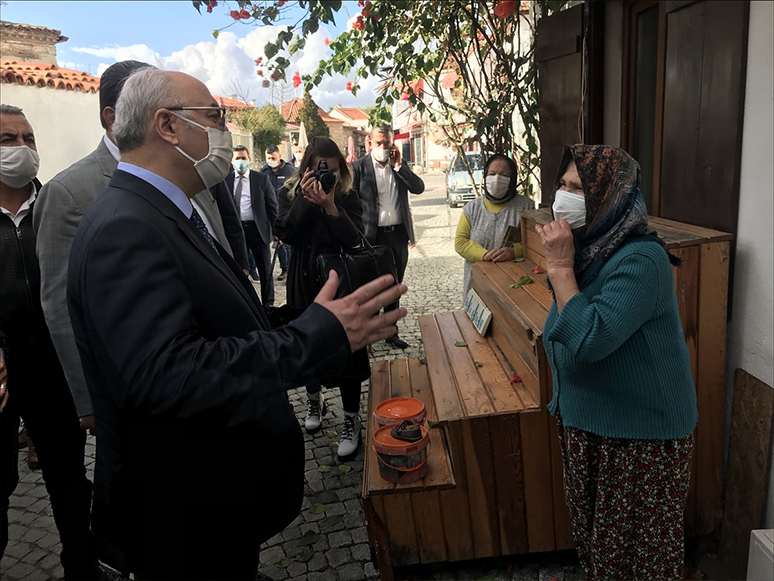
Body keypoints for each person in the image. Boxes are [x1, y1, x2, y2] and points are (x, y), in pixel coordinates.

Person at [67, 68, 406, 580]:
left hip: (212, 508)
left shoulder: (164, 210)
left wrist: (315, 321)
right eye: (214, 117)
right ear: (167, 125)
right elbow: (170, 375)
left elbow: (219, 322)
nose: (225, 130)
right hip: (182, 514)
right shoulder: (126, 226)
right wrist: (311, 335)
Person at [34, 60, 244, 430]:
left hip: (229, 388)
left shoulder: (195, 170)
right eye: (214, 116)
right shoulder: (71, 192)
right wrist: (88, 400)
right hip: (172, 415)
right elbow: (60, 304)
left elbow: (218, 242)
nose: (222, 130)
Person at [537, 144, 698, 580]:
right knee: (598, 550)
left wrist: (558, 268)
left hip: (639, 438)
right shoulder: (591, 250)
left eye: (579, 189)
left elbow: (590, 337)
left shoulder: (641, 259)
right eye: (563, 186)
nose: (564, 197)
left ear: (609, 196)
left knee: (636, 562)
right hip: (592, 425)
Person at [0, 104, 96, 579]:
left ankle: (81, 565)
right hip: (0, 380)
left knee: (68, 484)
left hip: (54, 372)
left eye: (29, 138)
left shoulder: (57, 202)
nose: (22, 149)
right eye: (7, 140)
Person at [274, 137, 368, 459]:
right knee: (308, 348)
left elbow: (357, 241)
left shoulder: (347, 196)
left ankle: (352, 419)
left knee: (349, 353)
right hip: (303, 286)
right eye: (319, 170)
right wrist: (305, 199)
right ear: (306, 170)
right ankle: (314, 401)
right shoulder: (290, 193)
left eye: (332, 169)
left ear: (341, 169)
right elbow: (285, 232)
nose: (327, 177)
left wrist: (330, 207)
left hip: (341, 285)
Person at [350, 124, 425, 349]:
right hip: (372, 237)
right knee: (370, 287)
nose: (383, 147)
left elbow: (418, 188)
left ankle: (390, 333)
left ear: (393, 143)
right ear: (370, 143)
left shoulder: (399, 166)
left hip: (398, 235)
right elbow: (350, 204)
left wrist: (401, 166)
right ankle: (369, 334)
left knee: (394, 285)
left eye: (387, 142)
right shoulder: (358, 168)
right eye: (379, 142)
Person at [454, 154, 534, 300]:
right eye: (492, 174)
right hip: (477, 286)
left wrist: (514, 251)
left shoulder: (526, 207)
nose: (497, 179)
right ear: (485, 177)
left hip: (513, 286)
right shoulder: (471, 209)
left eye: (503, 175)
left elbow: (536, 245)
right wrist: (484, 255)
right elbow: (460, 243)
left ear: (512, 179)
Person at [228, 144, 278, 306]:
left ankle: (268, 304)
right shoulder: (225, 181)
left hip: (258, 230)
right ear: (232, 161)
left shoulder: (261, 179)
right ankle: (244, 304)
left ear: (249, 160)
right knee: (238, 270)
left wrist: (278, 230)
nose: (241, 161)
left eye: (243, 158)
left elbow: (272, 206)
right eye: (237, 159)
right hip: (236, 233)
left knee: (265, 271)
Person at [261, 144, 297, 282]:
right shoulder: (263, 172)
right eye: (268, 158)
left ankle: (292, 268)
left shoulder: (291, 170)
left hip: (288, 212)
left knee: (288, 242)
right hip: (270, 214)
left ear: (280, 156)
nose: (271, 160)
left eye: (273, 157)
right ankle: (284, 269)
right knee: (278, 243)